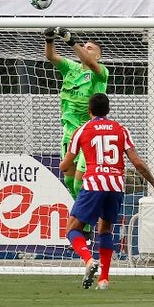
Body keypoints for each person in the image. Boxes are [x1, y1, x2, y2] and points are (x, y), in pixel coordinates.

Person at [59, 93, 154, 290]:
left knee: (72, 229)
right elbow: (137, 162)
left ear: (89, 110)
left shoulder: (81, 130)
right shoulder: (120, 130)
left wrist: (64, 163)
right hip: (116, 185)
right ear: (108, 111)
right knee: (106, 230)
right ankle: (104, 280)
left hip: (94, 184)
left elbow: (66, 166)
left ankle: (89, 260)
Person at [44, 26, 109, 238]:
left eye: (90, 48)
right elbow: (51, 56)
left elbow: (89, 62)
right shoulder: (71, 68)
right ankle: (85, 218)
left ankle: (86, 221)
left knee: (81, 179)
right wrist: (49, 39)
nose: (85, 50)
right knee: (70, 181)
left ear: (98, 55)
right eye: (84, 46)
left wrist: (72, 42)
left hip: (89, 133)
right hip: (69, 132)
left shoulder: (100, 72)